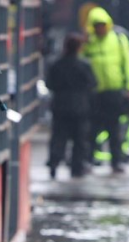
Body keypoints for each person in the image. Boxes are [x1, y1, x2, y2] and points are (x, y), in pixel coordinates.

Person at [82, 7, 129, 173]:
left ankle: (116, 162)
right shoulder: (88, 43)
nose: (100, 28)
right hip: (94, 94)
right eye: (97, 25)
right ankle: (88, 160)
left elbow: (127, 65)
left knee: (114, 130)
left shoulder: (118, 40)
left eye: (103, 25)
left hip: (114, 93)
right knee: (92, 129)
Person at [46, 32, 97, 179]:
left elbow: (50, 83)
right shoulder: (84, 65)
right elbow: (93, 83)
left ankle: (54, 164)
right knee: (79, 139)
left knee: (58, 137)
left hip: (60, 106)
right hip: (80, 107)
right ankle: (77, 168)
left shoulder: (56, 65)